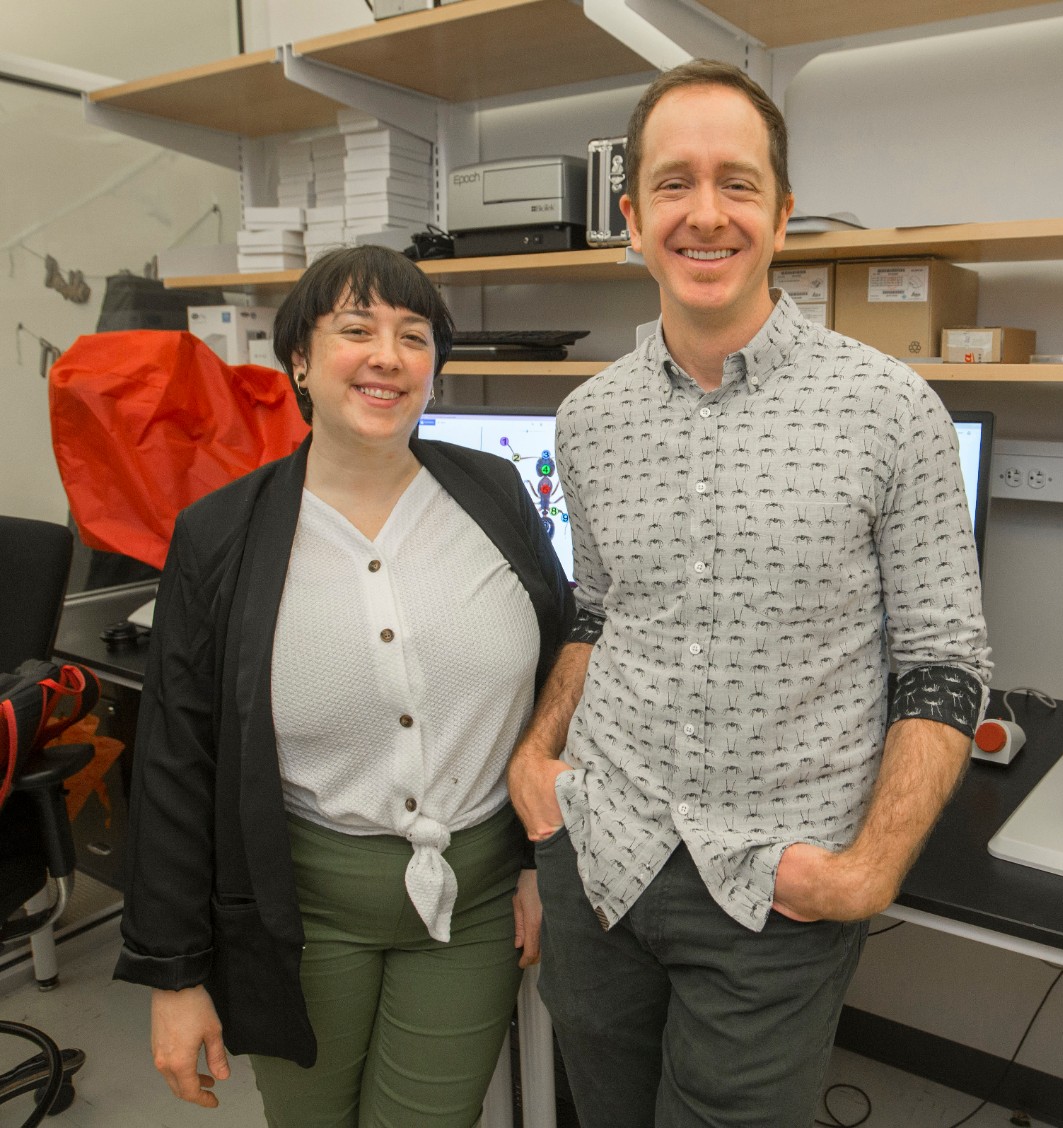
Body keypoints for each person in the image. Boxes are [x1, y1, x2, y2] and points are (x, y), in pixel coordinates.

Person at [507, 59, 992, 1128]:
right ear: (632, 219)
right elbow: (597, 610)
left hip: (775, 885)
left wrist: (865, 872)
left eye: (736, 182)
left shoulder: (889, 410)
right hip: (603, 862)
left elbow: (944, 663)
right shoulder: (588, 419)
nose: (705, 213)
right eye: (673, 184)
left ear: (779, 212)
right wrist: (538, 755)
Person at [114, 244, 575, 1127]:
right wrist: (172, 976)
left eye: (413, 336)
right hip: (300, 914)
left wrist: (538, 860)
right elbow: (176, 761)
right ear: (300, 358)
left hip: (473, 905)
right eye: (356, 330)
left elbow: (558, 680)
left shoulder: (494, 492)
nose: (388, 357)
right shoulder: (221, 535)